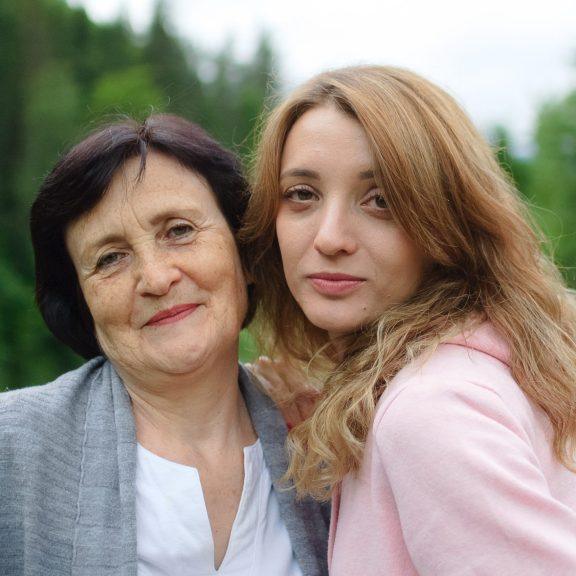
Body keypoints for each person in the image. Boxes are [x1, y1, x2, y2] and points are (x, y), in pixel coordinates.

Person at [242, 66, 576, 575]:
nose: (330, 237)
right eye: (302, 195)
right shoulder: (501, 363)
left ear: (445, 222)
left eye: (381, 201)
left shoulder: (430, 411)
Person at [0, 114, 329, 576]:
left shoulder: (324, 441)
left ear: (245, 253)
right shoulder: (10, 449)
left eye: (179, 231)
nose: (155, 278)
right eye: (110, 258)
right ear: (81, 302)